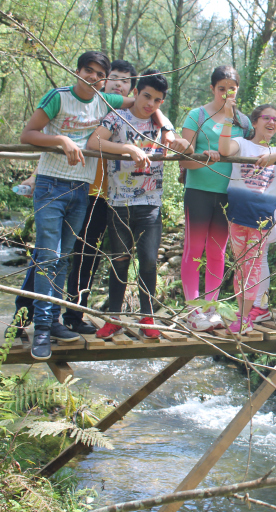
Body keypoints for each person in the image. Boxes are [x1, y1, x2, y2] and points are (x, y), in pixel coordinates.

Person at [18, 51, 140, 360]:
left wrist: (164, 125)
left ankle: (52, 320)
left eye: (100, 74)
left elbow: (141, 103)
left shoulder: (105, 101)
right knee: (48, 256)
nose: (93, 77)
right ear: (77, 70)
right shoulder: (58, 97)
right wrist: (61, 140)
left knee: (63, 259)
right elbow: (27, 134)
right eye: (89, 70)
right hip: (51, 184)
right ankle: (41, 328)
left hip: (81, 189)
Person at [87, 70, 189, 339]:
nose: (150, 104)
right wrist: (127, 148)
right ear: (135, 93)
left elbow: (181, 146)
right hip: (119, 203)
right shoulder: (116, 118)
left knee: (149, 261)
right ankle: (114, 318)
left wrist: (181, 143)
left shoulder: (162, 125)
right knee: (119, 260)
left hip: (150, 203)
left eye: (157, 100)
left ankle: (147, 318)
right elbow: (93, 142)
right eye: (146, 96)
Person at [217, 100, 276, 334]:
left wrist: (274, 158)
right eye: (266, 118)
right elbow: (225, 150)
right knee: (240, 267)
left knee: (253, 267)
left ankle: (245, 317)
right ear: (255, 122)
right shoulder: (241, 144)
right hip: (237, 216)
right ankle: (241, 314)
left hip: (262, 220)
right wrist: (227, 117)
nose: (271, 122)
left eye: (275, 119)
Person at [180, 65, 254, 331]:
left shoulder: (244, 123)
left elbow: (251, 153)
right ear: (212, 88)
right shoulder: (196, 116)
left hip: (228, 195)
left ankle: (211, 309)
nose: (226, 93)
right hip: (199, 191)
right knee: (194, 250)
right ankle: (193, 310)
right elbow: (184, 159)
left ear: (237, 90)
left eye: (231, 89)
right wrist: (205, 158)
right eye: (221, 88)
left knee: (217, 252)